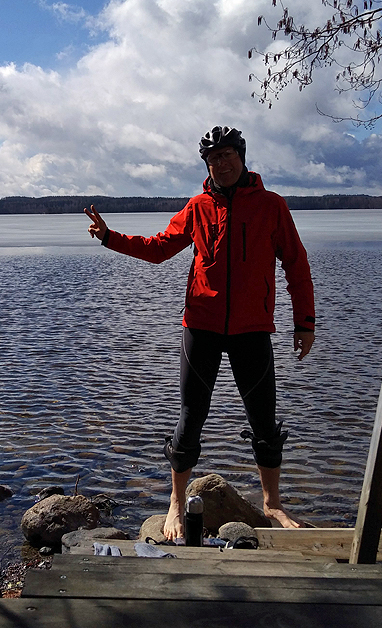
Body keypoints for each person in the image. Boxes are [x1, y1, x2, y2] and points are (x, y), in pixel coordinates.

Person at [84, 126, 315, 539]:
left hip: (252, 329)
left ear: (242, 157)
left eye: (227, 155)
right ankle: (174, 503)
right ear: (207, 165)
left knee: (264, 420)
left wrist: (305, 323)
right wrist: (108, 237)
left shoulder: (271, 206)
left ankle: (273, 504)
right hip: (202, 326)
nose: (221, 164)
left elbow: (296, 266)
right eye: (213, 158)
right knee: (191, 417)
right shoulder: (198, 206)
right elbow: (158, 249)